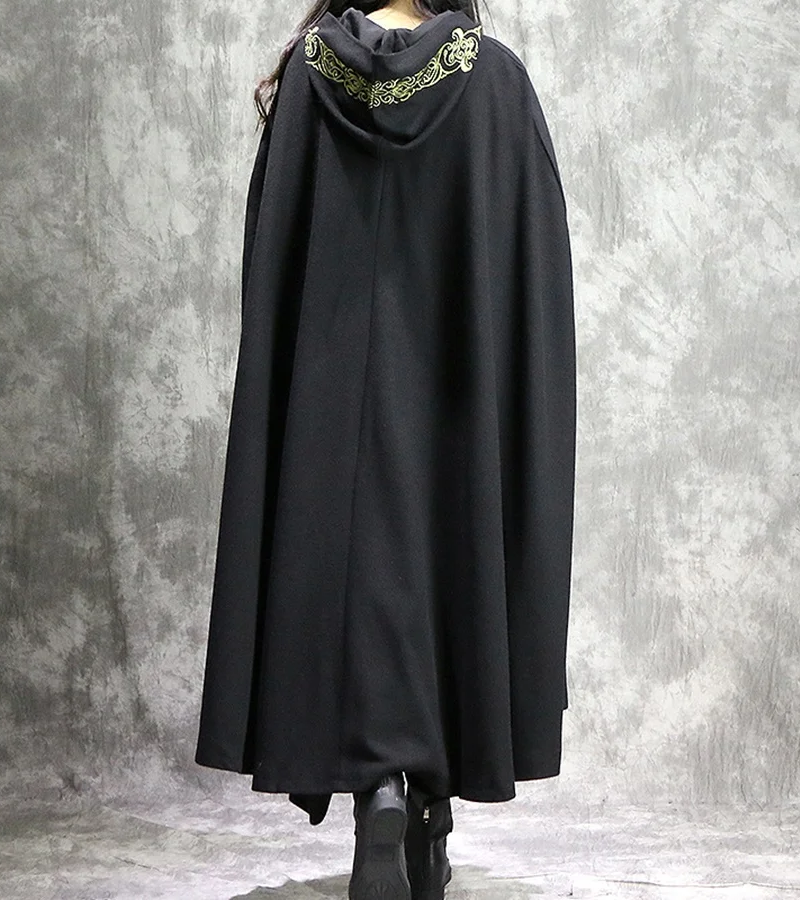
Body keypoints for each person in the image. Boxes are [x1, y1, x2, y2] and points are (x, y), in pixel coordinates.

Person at [195, 1, 577, 898]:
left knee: (359, 565)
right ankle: (432, 803)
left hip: (332, 414)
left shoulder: (307, 79)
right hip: (463, 410)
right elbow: (533, 281)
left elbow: (273, 270)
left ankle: (383, 795)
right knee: (453, 560)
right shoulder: (497, 83)